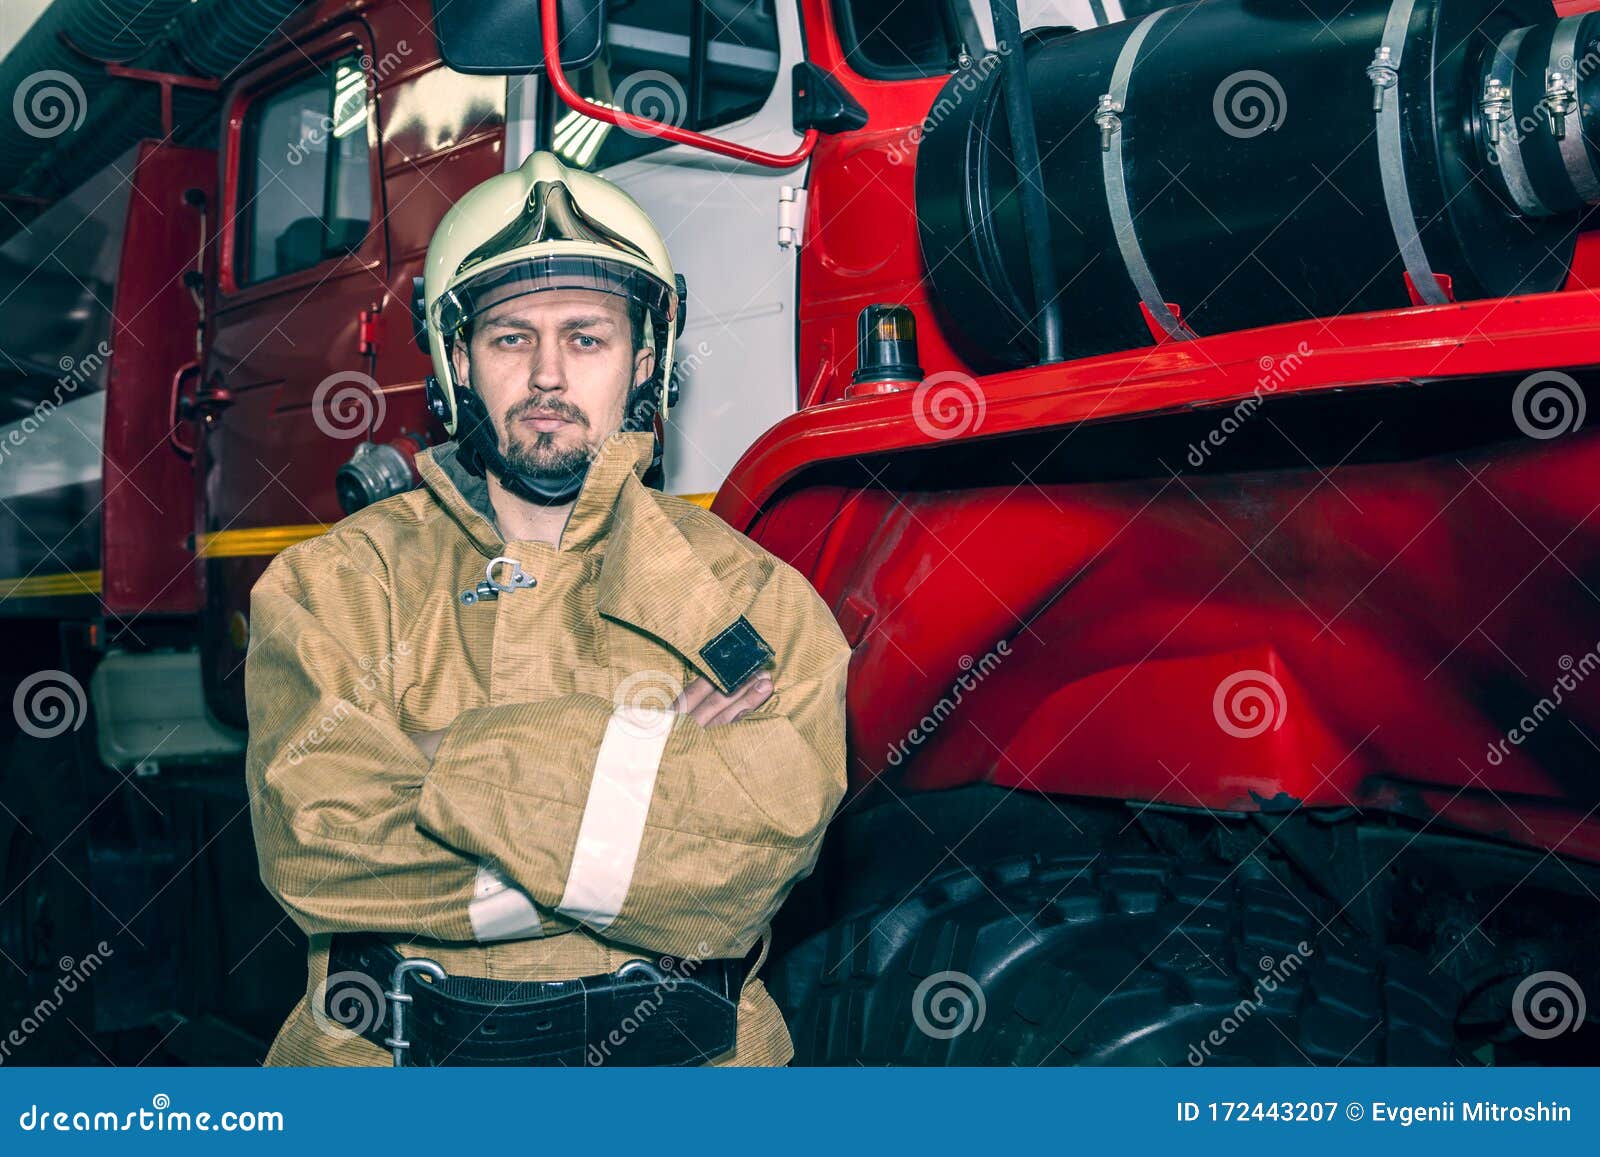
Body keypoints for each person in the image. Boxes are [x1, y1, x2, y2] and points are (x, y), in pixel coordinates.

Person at [243, 151, 850, 1067]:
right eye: (511, 338)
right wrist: (647, 762)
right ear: (458, 360)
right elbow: (316, 842)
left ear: (644, 360)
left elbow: (747, 867)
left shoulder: (757, 600)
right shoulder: (334, 587)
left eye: (588, 337)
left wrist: (436, 760)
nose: (549, 377)